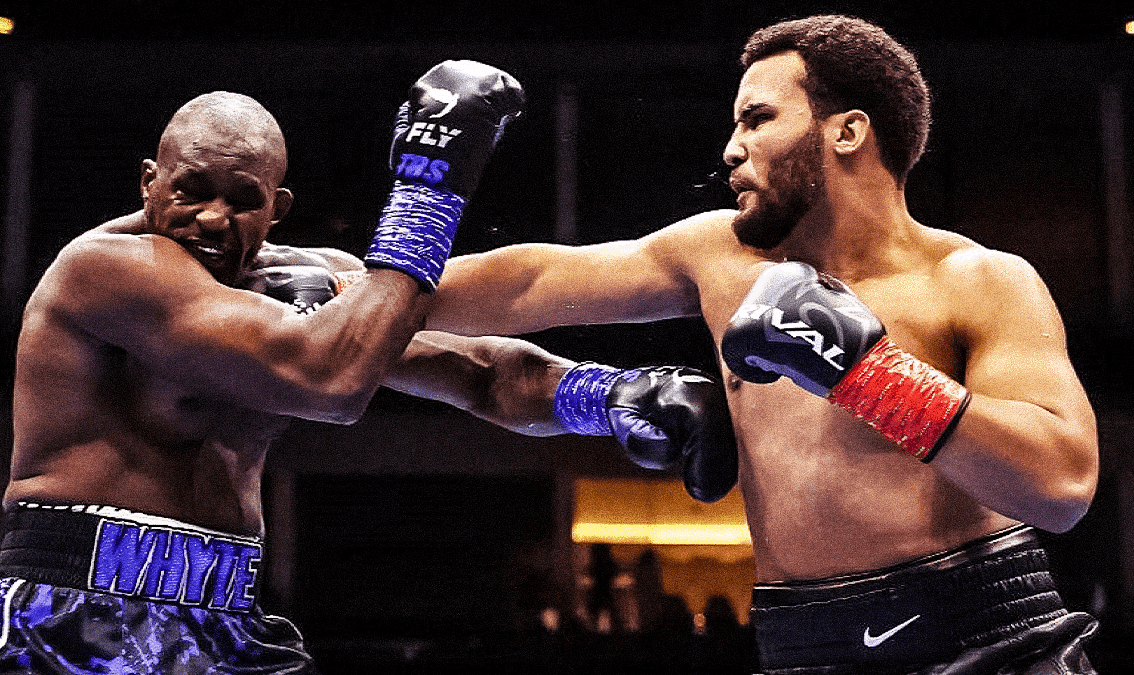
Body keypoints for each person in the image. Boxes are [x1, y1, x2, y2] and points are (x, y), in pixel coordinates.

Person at [0, 61, 736, 674]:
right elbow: (326, 380)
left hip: (228, 616)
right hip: (73, 612)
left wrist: (616, 394)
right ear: (149, 182)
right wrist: (427, 189)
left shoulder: (304, 281)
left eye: (241, 198)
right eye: (190, 190)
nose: (212, 217)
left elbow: (479, 371)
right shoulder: (107, 269)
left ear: (277, 207)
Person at [427, 15, 1101, 674]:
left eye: (757, 119)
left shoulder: (977, 280)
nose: (731, 148)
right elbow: (530, 281)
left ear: (847, 131)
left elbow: (1062, 484)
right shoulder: (720, 256)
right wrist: (380, 254)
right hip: (800, 646)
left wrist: (870, 375)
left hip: (984, 641)